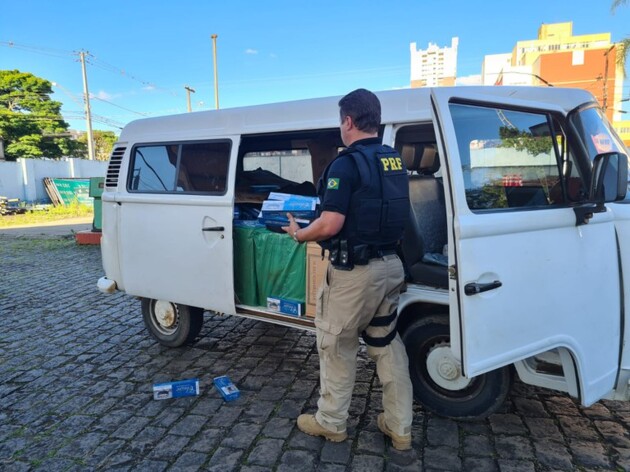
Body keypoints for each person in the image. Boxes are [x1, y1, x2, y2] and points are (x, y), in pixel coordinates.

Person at [282, 88, 414, 450]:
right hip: (391, 267)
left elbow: (330, 224)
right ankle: (399, 427)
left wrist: (298, 234)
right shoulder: (394, 161)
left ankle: (331, 422)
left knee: (336, 345)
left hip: (355, 275)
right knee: (386, 345)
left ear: (349, 121)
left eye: (341, 121)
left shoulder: (345, 164)